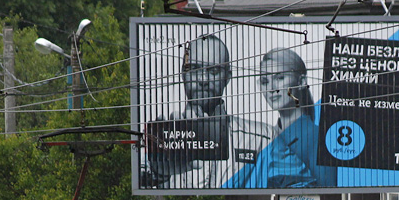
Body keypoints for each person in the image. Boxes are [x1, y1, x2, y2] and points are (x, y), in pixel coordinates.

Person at [141, 34, 273, 189]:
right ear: (183, 74)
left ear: (228, 77)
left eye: (214, 71)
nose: (203, 80)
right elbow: (128, 184)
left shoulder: (263, 139)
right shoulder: (159, 138)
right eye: (195, 69)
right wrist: (157, 172)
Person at [225, 47, 336, 189]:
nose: (272, 88)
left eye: (280, 78)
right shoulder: (262, 138)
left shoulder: (319, 138)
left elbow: (327, 195)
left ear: (302, 81)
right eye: (265, 81)